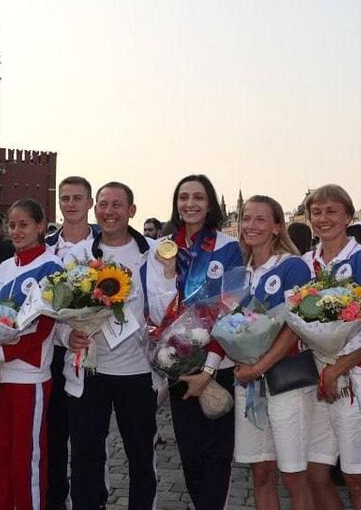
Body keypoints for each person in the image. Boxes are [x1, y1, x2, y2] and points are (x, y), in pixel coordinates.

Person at [146, 174, 243, 510]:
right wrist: (168, 272)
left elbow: (233, 307)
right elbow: (155, 308)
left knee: (217, 454)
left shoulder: (228, 247)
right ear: (176, 203)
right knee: (190, 454)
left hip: (218, 363)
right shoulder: (162, 248)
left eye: (198, 197)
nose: (190, 204)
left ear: (210, 203)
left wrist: (210, 367)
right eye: (183, 197)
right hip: (178, 364)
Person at [230, 195, 330, 510]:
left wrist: (259, 366)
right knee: (261, 472)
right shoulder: (239, 273)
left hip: (285, 382)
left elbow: (295, 327)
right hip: (249, 384)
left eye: (260, 219)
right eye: (246, 218)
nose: (251, 225)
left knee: (293, 475)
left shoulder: (292, 266)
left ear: (276, 227)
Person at [61, 182, 157, 510]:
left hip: (138, 372)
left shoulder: (154, 252)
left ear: (131, 210)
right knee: (85, 456)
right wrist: (67, 336)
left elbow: (167, 304)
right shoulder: (78, 255)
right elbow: (57, 310)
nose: (109, 211)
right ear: (95, 208)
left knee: (141, 456)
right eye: (103, 204)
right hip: (89, 371)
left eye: (117, 205)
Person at [0, 198, 64, 510]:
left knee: (26, 459)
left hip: (29, 378)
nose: (17, 231)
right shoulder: (6, 266)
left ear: (40, 226)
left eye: (24, 224)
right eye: (12, 225)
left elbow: (42, 328)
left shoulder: (53, 266)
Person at [304, 185, 361, 510]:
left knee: (356, 476)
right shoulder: (307, 262)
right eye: (316, 212)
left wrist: (337, 369)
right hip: (318, 376)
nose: (323, 218)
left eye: (331, 211)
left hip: (357, 377)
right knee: (315, 472)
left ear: (348, 216)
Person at [42, 175, 98, 509]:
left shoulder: (105, 245)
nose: (71, 204)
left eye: (78, 198)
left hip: (92, 353)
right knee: (53, 435)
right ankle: (55, 500)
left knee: (89, 436)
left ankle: (91, 498)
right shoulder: (45, 246)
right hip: (51, 353)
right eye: (65, 198)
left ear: (90, 203)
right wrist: (64, 333)